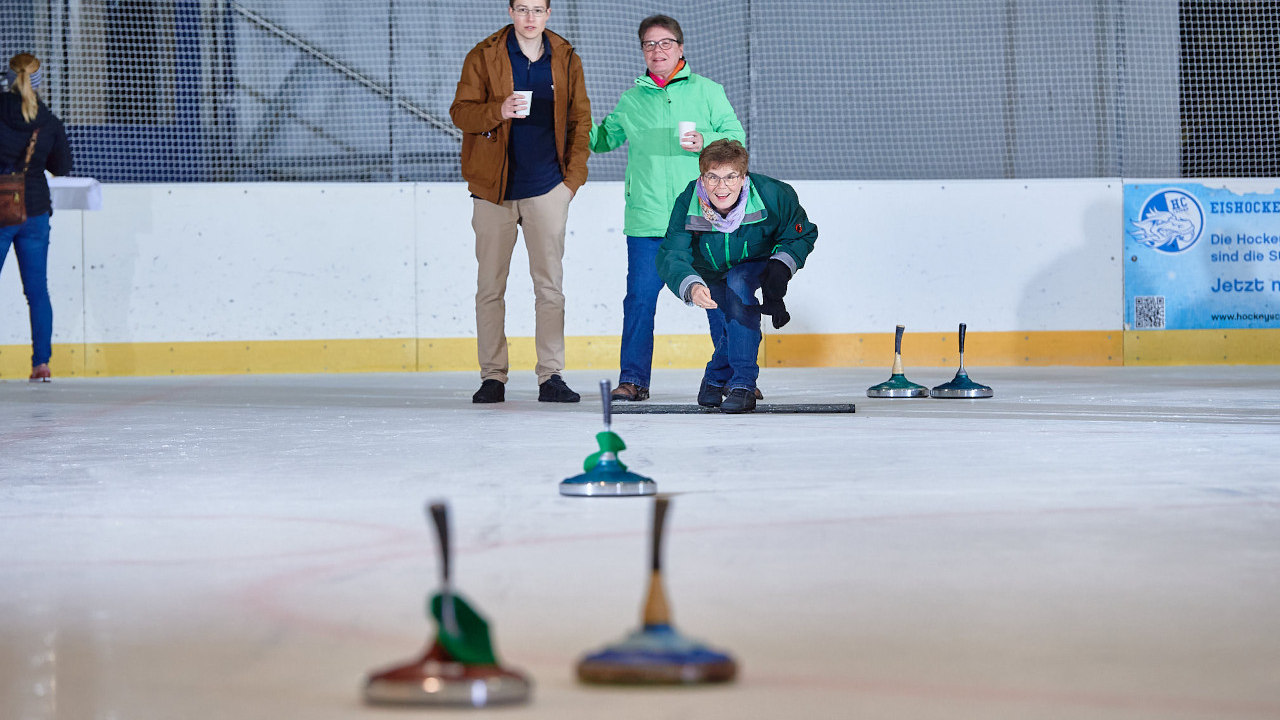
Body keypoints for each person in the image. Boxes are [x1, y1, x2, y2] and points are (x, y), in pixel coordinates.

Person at [589, 14, 745, 402]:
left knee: (717, 300)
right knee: (639, 300)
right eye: (649, 44)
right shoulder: (631, 99)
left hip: (702, 216)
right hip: (648, 219)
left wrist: (706, 139)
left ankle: (732, 376)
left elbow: (736, 137)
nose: (657, 50)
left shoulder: (708, 91)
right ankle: (634, 380)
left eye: (665, 43)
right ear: (642, 50)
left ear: (680, 47)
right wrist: (570, 119)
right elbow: (601, 140)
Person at [450, 0, 591, 404]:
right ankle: (492, 377)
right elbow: (460, 113)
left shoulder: (565, 57)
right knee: (490, 288)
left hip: (548, 188)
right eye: (523, 9)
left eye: (538, 10)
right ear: (511, 11)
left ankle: (551, 376)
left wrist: (570, 183)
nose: (530, 18)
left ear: (549, 14)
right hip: (492, 191)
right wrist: (499, 110)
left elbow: (581, 120)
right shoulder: (484, 54)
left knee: (550, 288)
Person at [656, 140, 817, 413]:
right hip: (710, 271)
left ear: (743, 178)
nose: (722, 187)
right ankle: (714, 379)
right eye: (713, 177)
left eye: (730, 177)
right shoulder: (688, 201)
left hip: (754, 263)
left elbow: (800, 234)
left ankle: (742, 385)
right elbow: (671, 253)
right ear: (702, 178)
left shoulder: (774, 194)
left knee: (739, 285)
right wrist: (692, 285)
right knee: (731, 325)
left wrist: (779, 268)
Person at [0, 53, 72, 383]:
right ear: (38, 79)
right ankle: (41, 363)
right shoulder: (49, 120)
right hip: (36, 211)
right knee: (37, 290)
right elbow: (62, 167)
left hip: (1, 209)